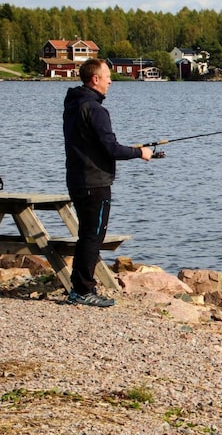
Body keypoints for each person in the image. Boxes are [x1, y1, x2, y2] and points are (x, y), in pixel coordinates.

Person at [62, 58, 152, 307]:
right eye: (107, 76)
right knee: (93, 237)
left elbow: (95, 145)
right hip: (95, 182)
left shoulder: (74, 104)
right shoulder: (96, 110)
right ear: (95, 79)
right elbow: (111, 149)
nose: (111, 81)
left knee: (86, 235)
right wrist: (140, 153)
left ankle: (79, 287)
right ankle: (82, 290)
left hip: (77, 179)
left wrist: (133, 149)